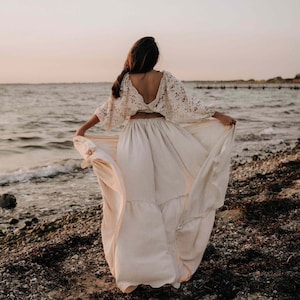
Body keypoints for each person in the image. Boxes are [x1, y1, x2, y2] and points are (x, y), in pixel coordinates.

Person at [74, 36, 236, 293]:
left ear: (134, 55)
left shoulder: (126, 80)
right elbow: (189, 106)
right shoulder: (166, 78)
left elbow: (107, 110)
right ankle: (165, 264)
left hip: (135, 140)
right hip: (163, 137)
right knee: (166, 198)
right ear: (154, 57)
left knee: (137, 199)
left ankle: (137, 267)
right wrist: (219, 116)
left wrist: (83, 128)